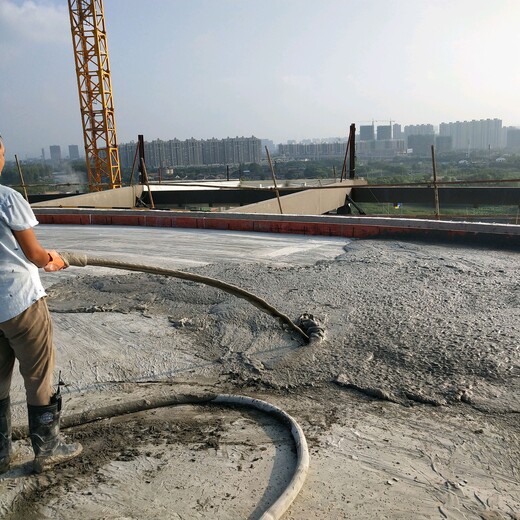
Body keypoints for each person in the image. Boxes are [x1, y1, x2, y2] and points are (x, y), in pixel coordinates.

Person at [0, 136, 82, 474]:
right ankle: (47, 448)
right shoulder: (7, 198)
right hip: (19, 302)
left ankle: (1, 454)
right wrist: (57, 259)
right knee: (38, 375)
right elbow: (35, 256)